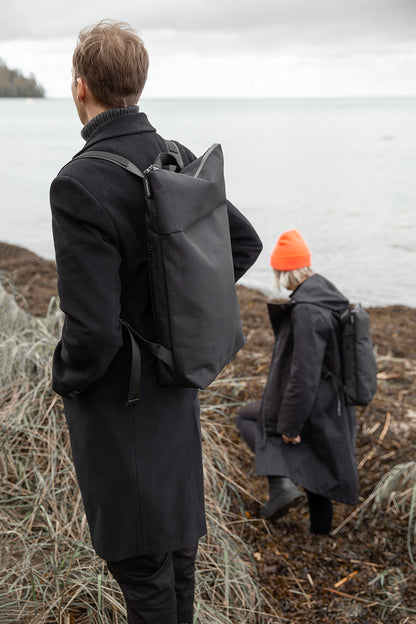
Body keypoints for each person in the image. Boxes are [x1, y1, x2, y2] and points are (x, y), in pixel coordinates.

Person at [50, 20, 262, 624]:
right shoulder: (177, 159)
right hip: (174, 392)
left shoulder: (78, 184)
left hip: (122, 405)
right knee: (175, 564)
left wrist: (65, 377)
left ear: (79, 87)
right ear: (137, 85)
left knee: (143, 576)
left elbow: (90, 333)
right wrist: (180, 318)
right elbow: (241, 245)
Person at [237, 229, 359, 535]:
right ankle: (318, 530)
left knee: (251, 419)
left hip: (315, 405)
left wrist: (290, 426)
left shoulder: (307, 310)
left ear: (283, 271)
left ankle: (282, 484)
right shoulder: (325, 293)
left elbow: (303, 375)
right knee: (315, 462)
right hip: (332, 402)